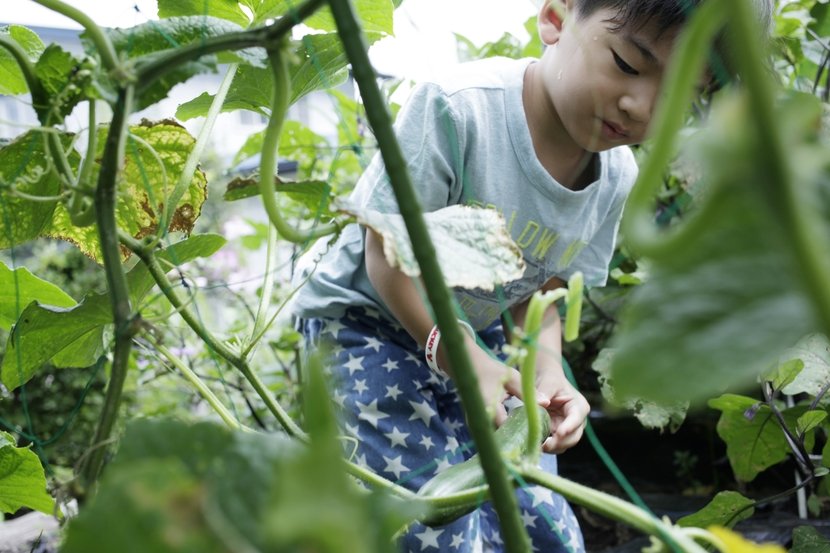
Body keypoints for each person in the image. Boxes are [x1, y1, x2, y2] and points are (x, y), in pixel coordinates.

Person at [291, 0, 773, 551]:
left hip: (481, 328)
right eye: (627, 64)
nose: (641, 108)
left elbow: (543, 290)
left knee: (543, 523)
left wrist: (546, 369)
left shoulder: (615, 177)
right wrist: (457, 354)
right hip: (369, 322)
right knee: (430, 520)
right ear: (556, 17)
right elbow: (385, 254)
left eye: (681, 98)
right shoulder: (459, 109)